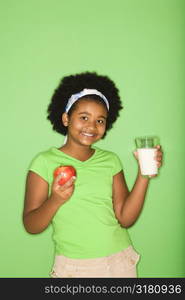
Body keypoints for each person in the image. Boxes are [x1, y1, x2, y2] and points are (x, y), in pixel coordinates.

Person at [23, 71, 163, 278]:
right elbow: (31, 225)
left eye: (100, 121)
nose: (91, 126)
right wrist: (56, 200)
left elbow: (125, 218)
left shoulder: (111, 160)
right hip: (74, 268)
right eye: (84, 117)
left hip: (120, 262)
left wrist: (144, 175)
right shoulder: (44, 162)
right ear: (66, 118)